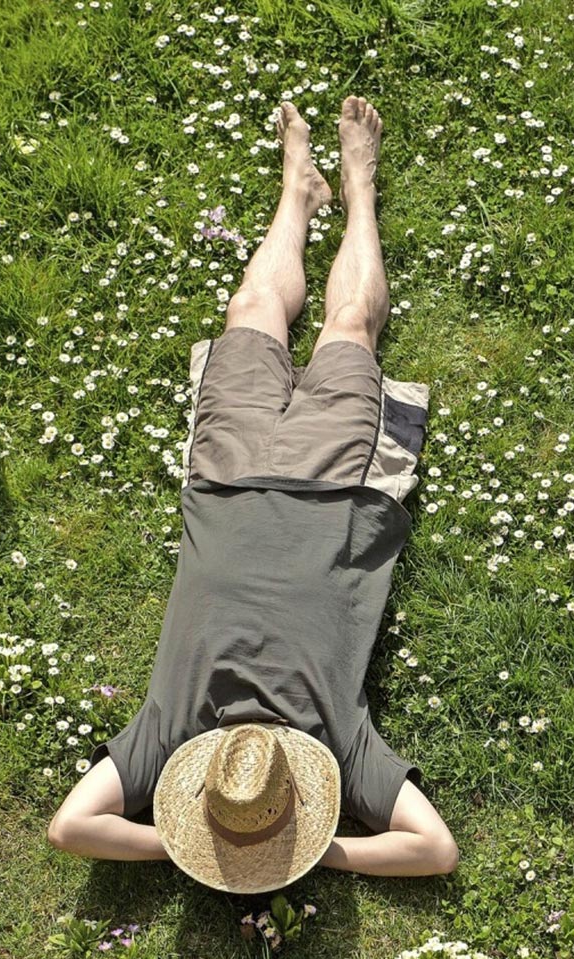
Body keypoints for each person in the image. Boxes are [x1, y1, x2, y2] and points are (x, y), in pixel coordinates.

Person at [47, 97, 457, 892]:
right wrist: (315, 846)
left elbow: (71, 827)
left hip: (225, 482)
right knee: (346, 330)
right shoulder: (337, 751)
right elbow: (433, 848)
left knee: (251, 311)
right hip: (337, 490)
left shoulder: (167, 742)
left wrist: (184, 832)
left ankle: (298, 192)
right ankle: (359, 185)